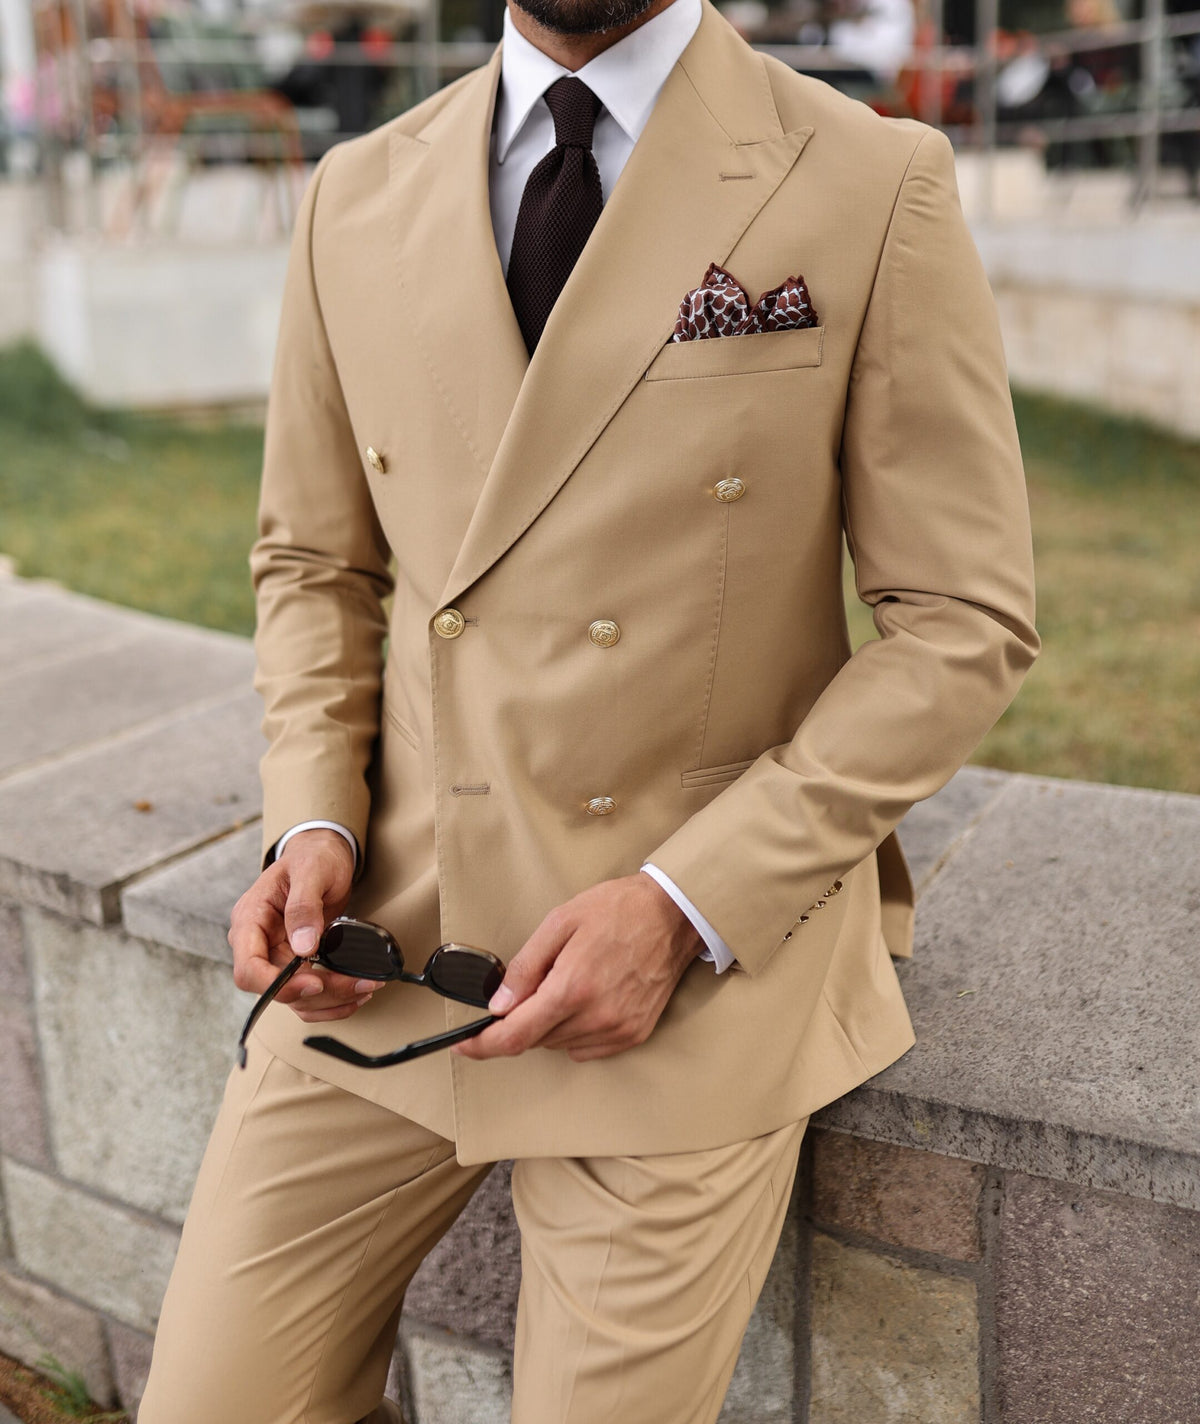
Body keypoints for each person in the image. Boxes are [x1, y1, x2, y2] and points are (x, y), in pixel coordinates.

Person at [138, 0, 1038, 1418]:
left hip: (690, 980)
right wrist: (310, 821)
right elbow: (315, 565)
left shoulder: (870, 178)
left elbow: (961, 619)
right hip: (387, 943)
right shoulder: (354, 193)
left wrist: (685, 904)